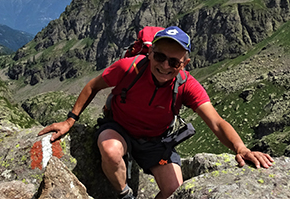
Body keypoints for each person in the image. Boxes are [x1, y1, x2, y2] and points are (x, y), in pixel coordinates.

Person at [38, 26, 274, 199]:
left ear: (185, 63)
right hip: (118, 127)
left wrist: (241, 148)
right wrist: (70, 121)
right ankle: (125, 196)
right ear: (150, 53)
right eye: (159, 57)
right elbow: (93, 85)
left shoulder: (187, 85)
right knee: (110, 151)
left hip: (156, 141)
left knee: (174, 192)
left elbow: (216, 122)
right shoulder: (128, 67)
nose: (164, 65)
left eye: (174, 62)